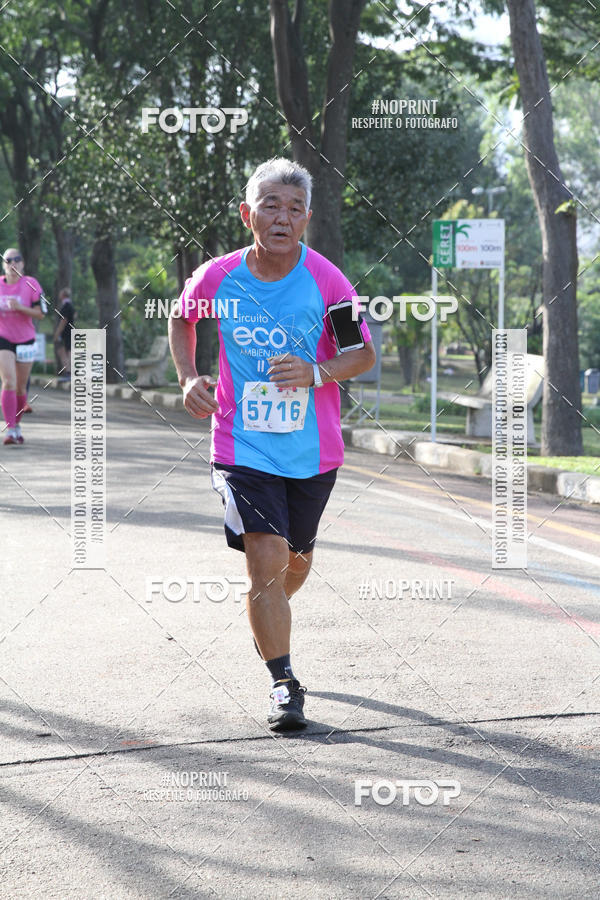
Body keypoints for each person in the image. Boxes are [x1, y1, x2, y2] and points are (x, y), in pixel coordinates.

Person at [169, 158, 375, 731]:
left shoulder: (328, 281)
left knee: (294, 562)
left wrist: (315, 373)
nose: (281, 218)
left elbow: (362, 355)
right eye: (269, 206)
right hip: (241, 446)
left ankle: (267, 609)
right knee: (265, 558)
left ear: (306, 218)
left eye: (292, 209)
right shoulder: (218, 275)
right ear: (247, 214)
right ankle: (284, 683)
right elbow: (183, 319)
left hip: (313, 450)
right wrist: (188, 377)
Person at [0, 249, 46, 445]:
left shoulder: (31, 283)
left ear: (23, 263)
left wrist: (20, 308)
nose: (13, 263)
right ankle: (10, 430)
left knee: (20, 386)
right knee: (8, 380)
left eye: (17, 260)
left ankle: (16, 425)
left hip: (26, 338)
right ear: (4, 265)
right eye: (8, 260)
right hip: (3, 338)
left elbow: (41, 313)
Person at [53, 287, 75, 380]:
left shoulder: (66, 306)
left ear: (62, 295)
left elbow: (63, 321)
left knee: (65, 352)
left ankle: (69, 372)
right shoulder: (70, 305)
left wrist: (57, 333)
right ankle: (68, 372)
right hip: (69, 331)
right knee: (64, 352)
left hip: (66, 333)